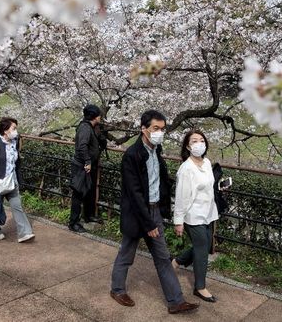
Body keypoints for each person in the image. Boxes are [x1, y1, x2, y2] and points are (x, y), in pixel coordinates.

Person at [110, 110, 199, 315]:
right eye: (155, 129)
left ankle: (176, 301)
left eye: (162, 129)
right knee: (127, 253)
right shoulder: (132, 155)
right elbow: (134, 193)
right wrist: (149, 224)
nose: (159, 133)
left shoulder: (156, 151)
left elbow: (157, 182)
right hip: (138, 213)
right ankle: (117, 289)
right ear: (144, 129)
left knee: (162, 256)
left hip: (154, 210)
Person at [172, 129, 219, 303]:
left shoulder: (206, 162)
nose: (198, 144)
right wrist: (178, 222)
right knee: (201, 249)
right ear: (188, 146)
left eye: (201, 140)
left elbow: (208, 186)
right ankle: (200, 287)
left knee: (204, 246)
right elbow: (181, 197)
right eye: (194, 141)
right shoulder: (186, 169)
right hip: (192, 215)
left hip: (207, 213)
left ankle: (176, 262)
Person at [0, 117, 35, 243]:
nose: (16, 131)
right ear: (6, 130)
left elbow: (16, 162)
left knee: (17, 206)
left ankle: (25, 233)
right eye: (14, 128)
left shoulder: (15, 142)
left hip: (12, 180)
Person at [68, 104, 103, 233]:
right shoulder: (84, 128)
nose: (100, 117)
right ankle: (73, 223)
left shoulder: (91, 127)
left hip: (88, 165)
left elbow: (96, 140)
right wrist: (88, 161)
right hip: (81, 166)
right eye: (99, 115)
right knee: (78, 193)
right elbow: (82, 146)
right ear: (94, 116)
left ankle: (88, 216)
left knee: (89, 191)